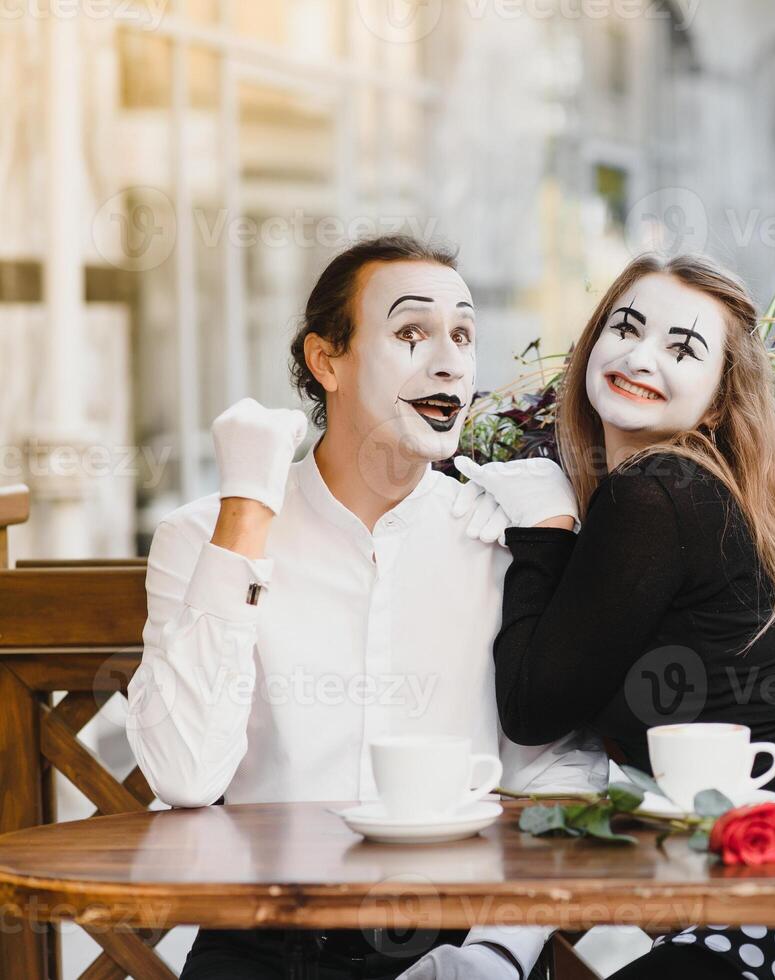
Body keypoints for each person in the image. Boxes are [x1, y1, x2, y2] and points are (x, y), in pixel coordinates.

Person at [126, 235, 605, 980]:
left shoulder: (501, 538)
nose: (449, 361)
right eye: (411, 332)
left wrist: (498, 952)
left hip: (462, 940)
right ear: (327, 361)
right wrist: (247, 516)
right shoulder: (204, 538)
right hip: (260, 940)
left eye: (464, 335)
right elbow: (184, 776)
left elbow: (562, 768)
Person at [456, 254, 775, 980]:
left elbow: (532, 708)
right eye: (625, 328)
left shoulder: (655, 495)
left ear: (718, 402)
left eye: (681, 348)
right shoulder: (684, 491)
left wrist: (544, 531)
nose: (639, 355)